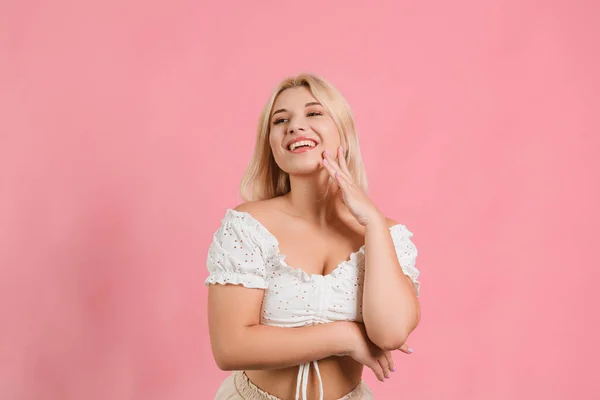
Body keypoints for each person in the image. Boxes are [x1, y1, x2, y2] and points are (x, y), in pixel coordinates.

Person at [205, 73, 421, 400]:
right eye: (281, 120)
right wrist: (346, 337)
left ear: (342, 132)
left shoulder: (386, 234)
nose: (295, 126)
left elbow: (390, 334)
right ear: (272, 144)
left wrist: (374, 224)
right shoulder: (248, 225)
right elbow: (230, 347)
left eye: (314, 113)